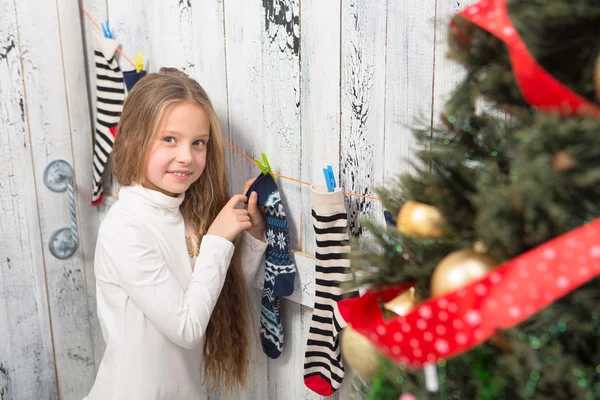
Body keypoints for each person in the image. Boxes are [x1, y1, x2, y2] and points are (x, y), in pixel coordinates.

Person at [85, 67, 267, 399]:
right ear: (136, 138)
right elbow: (187, 328)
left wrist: (251, 237)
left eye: (198, 143)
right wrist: (217, 240)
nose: (186, 156)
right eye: (170, 139)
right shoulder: (125, 227)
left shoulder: (186, 213)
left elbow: (213, 293)